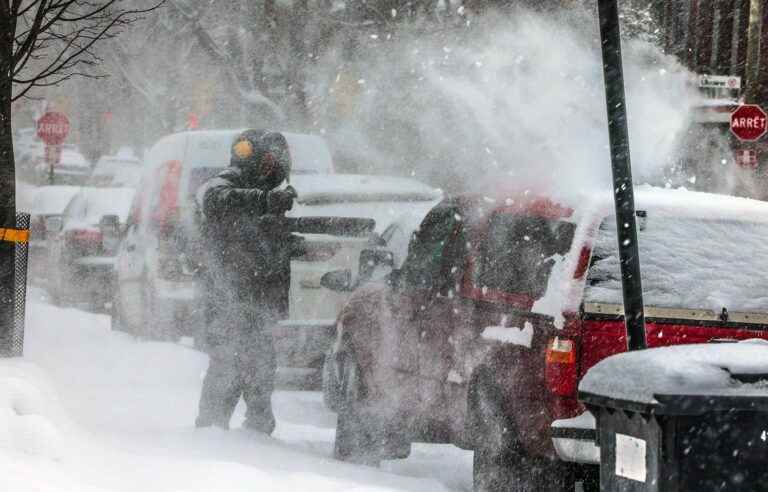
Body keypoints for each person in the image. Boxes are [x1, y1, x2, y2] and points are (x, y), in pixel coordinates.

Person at [195, 129, 305, 434]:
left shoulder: (263, 197)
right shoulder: (227, 184)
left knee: (260, 366)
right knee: (227, 364)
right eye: (269, 161)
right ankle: (210, 433)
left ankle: (257, 430)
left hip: (259, 300)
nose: (274, 168)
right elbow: (214, 198)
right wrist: (265, 200)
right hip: (229, 297)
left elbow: (265, 244)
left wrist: (299, 244)